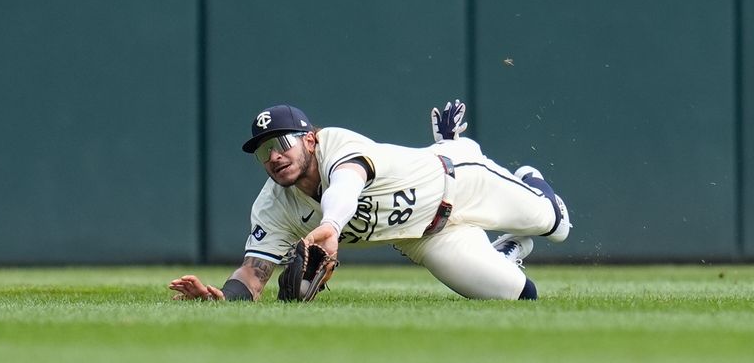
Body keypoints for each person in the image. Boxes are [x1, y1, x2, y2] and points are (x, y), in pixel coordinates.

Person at [169, 100, 571, 301]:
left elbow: (347, 183)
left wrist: (330, 227)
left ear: (310, 138)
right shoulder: (274, 205)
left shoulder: (336, 144)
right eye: (262, 152)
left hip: (461, 182)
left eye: (281, 143)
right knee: (522, 297)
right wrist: (222, 297)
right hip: (427, 239)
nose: (273, 156)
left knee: (557, 226)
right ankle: (503, 253)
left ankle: (498, 164)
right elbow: (253, 274)